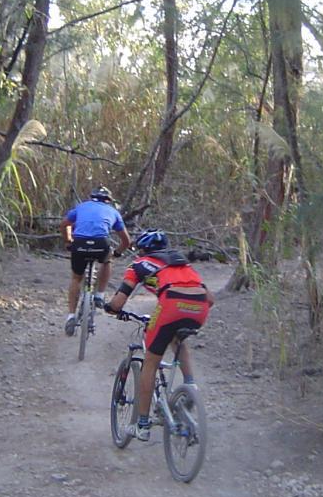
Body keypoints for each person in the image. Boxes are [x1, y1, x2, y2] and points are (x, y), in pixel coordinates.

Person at [104, 230, 215, 441]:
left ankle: (143, 425)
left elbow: (118, 303)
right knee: (177, 338)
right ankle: (190, 384)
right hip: (200, 308)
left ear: (143, 250)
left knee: (150, 363)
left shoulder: (139, 265)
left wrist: (110, 307)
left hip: (170, 304)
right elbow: (210, 298)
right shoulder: (182, 264)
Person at [60, 186, 132, 335]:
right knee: (107, 260)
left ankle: (71, 316)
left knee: (76, 278)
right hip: (101, 244)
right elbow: (126, 240)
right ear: (108, 201)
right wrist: (117, 253)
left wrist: (68, 241)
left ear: (91, 197)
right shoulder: (113, 212)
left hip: (79, 243)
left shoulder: (81, 207)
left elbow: (64, 224)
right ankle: (99, 294)